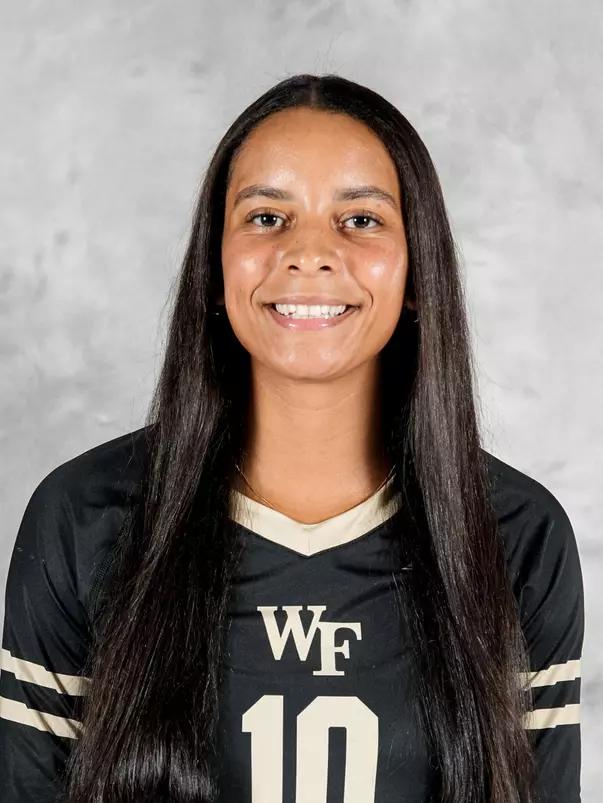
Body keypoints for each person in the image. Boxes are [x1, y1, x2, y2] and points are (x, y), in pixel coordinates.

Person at [0, 74, 583, 803]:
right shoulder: (86, 518)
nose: (309, 252)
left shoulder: (513, 535)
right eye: (267, 217)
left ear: (416, 270)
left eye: (360, 219)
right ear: (215, 268)